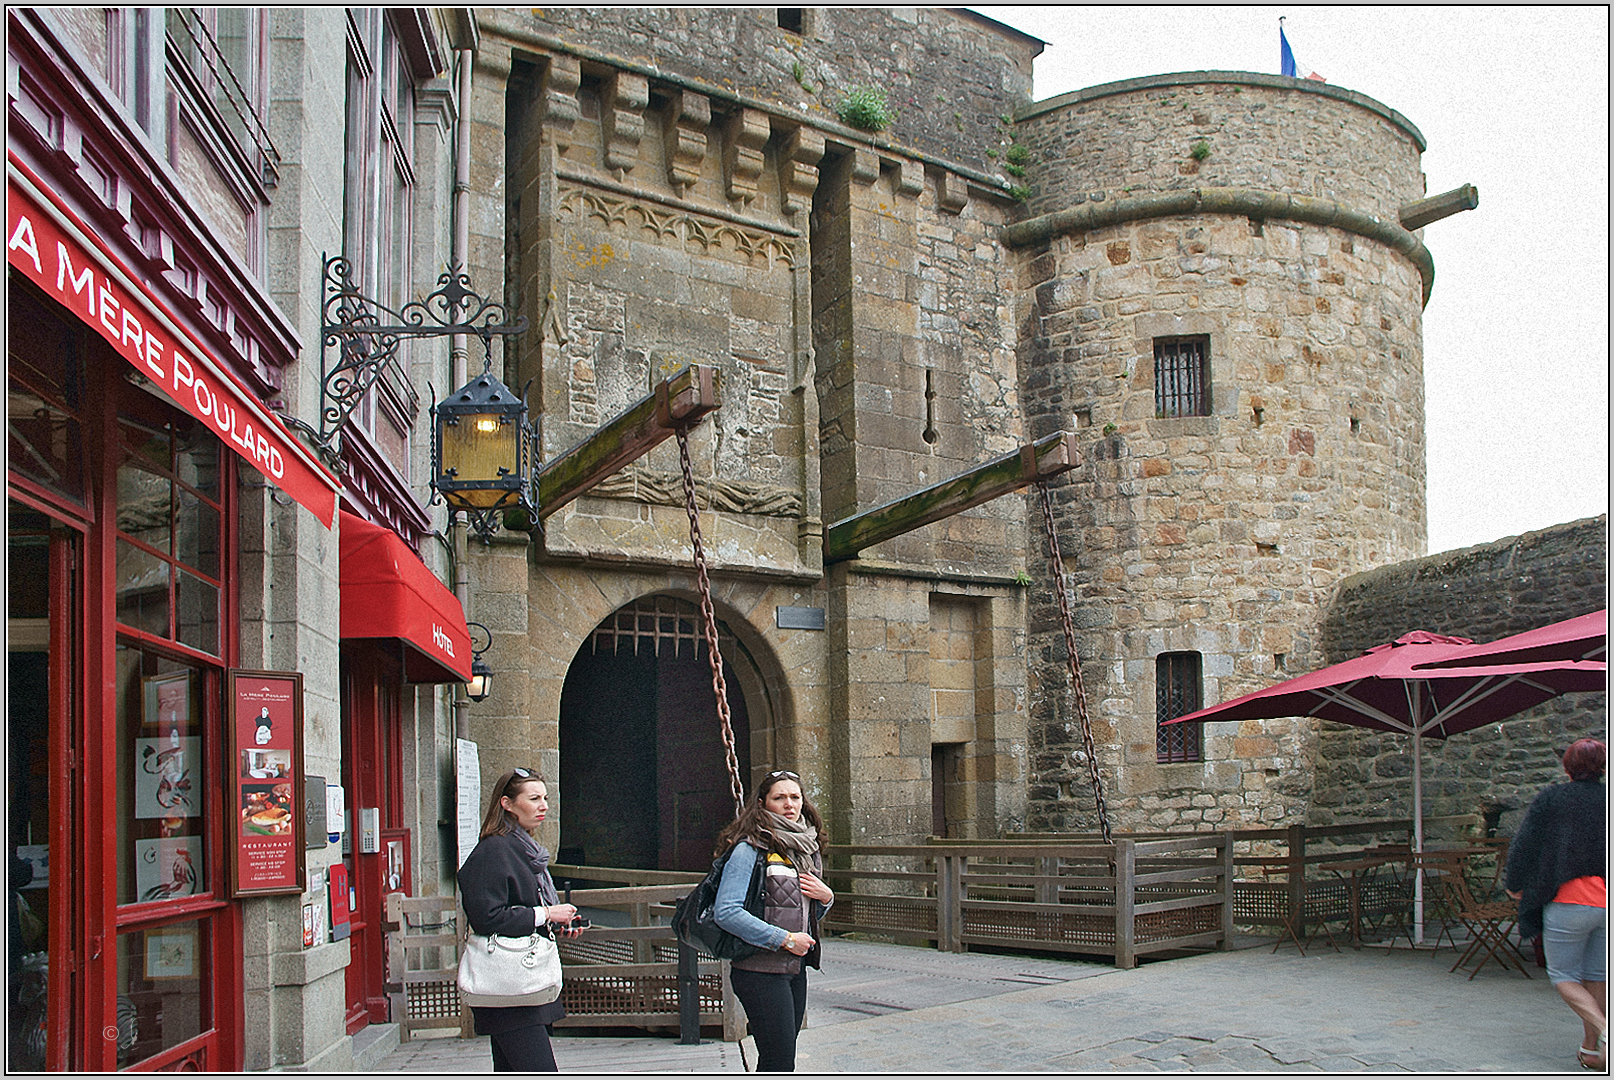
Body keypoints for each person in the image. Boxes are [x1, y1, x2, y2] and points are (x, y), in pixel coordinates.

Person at [457, 768, 581, 1072]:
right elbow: (487, 917)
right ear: (507, 804)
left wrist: (553, 925)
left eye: (546, 798)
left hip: (521, 984)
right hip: (508, 985)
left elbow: (519, 908)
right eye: (534, 798)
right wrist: (547, 913)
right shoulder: (494, 850)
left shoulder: (524, 849)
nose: (544, 806)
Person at [711, 770, 834, 1072]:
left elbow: (807, 914)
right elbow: (726, 911)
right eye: (780, 798)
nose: (789, 804)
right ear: (764, 803)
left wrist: (827, 898)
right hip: (759, 970)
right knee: (779, 1062)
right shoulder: (748, 848)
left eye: (795, 797)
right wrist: (785, 939)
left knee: (779, 1060)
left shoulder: (807, 848)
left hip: (794, 969)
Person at [1505, 738, 1606, 1070]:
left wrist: (1515, 884)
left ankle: (1606, 1030)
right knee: (1596, 976)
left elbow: (1525, 843)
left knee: (1563, 976)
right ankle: (1592, 1052)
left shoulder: (1552, 798)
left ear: (1567, 766)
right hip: (1606, 904)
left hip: (1568, 902)